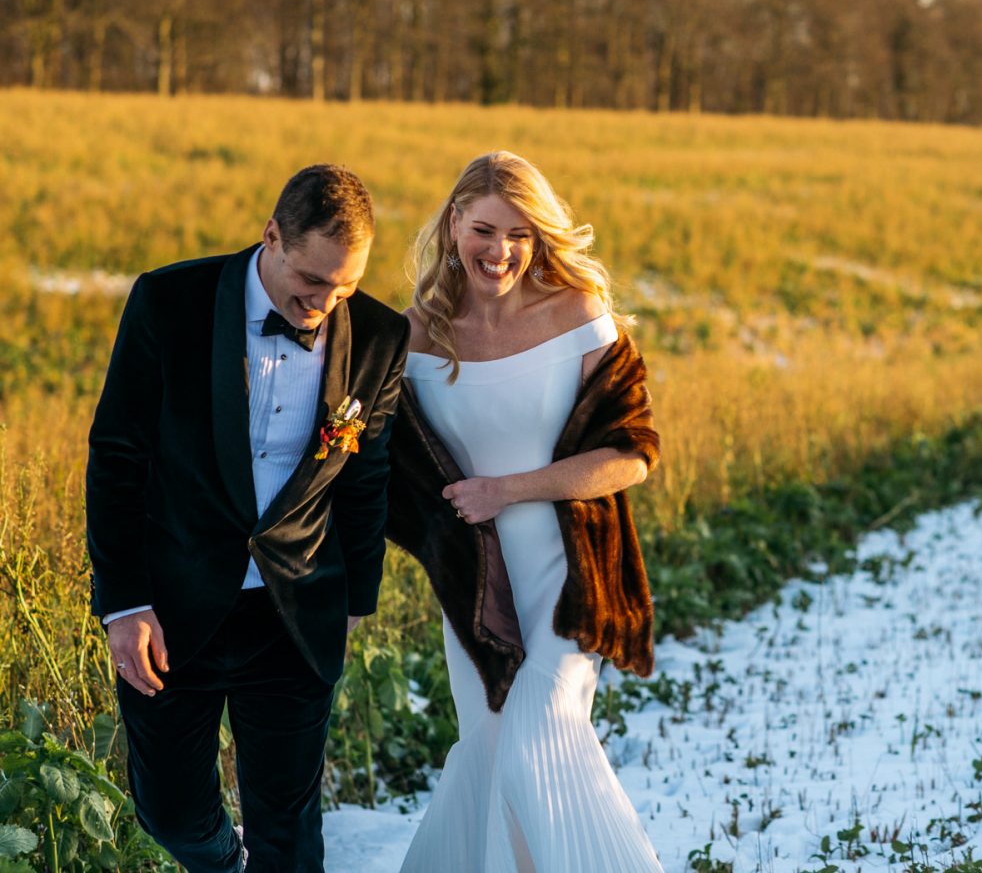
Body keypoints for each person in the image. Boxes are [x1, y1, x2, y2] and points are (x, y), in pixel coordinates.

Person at [86, 164, 410, 872]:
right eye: (313, 279)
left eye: (346, 286)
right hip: (170, 608)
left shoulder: (381, 338)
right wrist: (124, 603)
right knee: (168, 812)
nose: (325, 302)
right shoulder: (168, 301)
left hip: (295, 612)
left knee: (289, 833)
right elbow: (117, 458)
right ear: (271, 235)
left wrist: (356, 599)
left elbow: (366, 476)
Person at [386, 151, 664, 871]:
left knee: (540, 737)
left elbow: (631, 453)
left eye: (519, 234)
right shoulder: (415, 336)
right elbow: (383, 469)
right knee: (488, 749)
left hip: (569, 582)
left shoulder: (577, 315)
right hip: (474, 588)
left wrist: (505, 490)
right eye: (483, 230)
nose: (499, 251)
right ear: (453, 225)